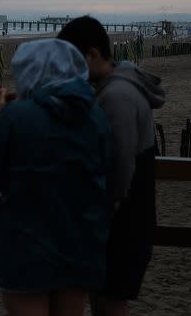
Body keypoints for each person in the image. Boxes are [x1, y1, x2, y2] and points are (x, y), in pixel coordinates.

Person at [0, 38, 111, 316]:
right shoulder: (95, 114)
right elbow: (105, 167)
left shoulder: (17, 115)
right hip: (82, 239)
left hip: (26, 243)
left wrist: (5, 115)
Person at [58, 16, 166, 316]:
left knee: (109, 303)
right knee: (107, 300)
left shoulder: (117, 96)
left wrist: (97, 217)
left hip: (122, 224)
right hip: (130, 219)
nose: (70, 69)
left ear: (92, 54)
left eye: (73, 59)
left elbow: (119, 167)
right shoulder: (118, 86)